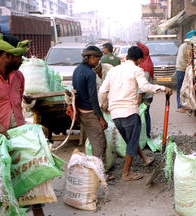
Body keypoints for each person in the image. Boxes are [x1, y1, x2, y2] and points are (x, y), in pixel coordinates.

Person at [0, 33, 66, 216]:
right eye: (18, 56)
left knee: (32, 173)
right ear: (5, 55)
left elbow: (18, 102)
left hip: (18, 136)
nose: (21, 60)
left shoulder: (18, 76)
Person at [99, 46, 172, 181]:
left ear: (127, 57)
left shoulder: (113, 71)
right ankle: (126, 173)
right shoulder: (137, 70)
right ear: (139, 60)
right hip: (130, 113)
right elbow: (145, 87)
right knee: (132, 142)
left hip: (115, 114)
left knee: (131, 140)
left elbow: (102, 91)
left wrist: (103, 105)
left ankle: (145, 159)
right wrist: (162, 88)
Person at [73, 46, 108, 161]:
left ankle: (99, 170)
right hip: (89, 112)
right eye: (98, 59)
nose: (98, 62)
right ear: (92, 57)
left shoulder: (77, 69)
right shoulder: (90, 73)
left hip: (81, 111)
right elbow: (93, 98)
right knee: (99, 142)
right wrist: (101, 117)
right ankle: (98, 173)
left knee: (96, 140)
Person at [136, 42, 154, 138]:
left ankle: (146, 135)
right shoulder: (146, 62)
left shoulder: (145, 66)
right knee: (145, 114)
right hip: (147, 95)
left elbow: (143, 85)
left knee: (145, 115)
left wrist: (139, 96)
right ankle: (145, 135)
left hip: (145, 96)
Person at [175, 30, 196, 113]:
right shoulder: (184, 46)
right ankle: (180, 106)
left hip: (188, 70)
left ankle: (187, 105)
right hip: (182, 70)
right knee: (181, 88)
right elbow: (182, 60)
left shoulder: (193, 46)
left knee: (189, 88)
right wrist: (189, 67)